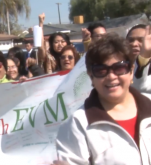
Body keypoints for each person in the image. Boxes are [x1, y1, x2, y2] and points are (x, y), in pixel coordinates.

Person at [56, 33, 151, 164]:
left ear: (131, 71)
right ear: (91, 76)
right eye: (100, 70)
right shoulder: (79, 123)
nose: (111, 76)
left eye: (119, 67)